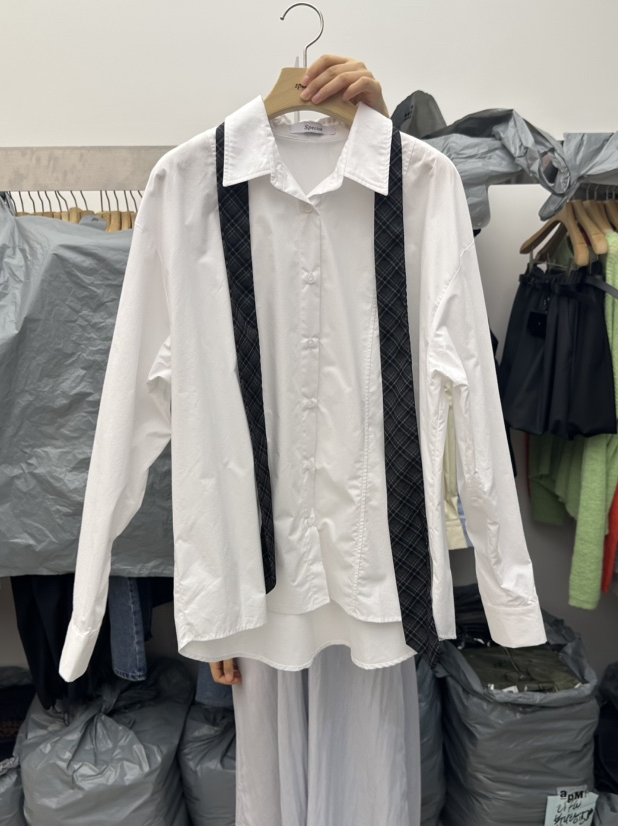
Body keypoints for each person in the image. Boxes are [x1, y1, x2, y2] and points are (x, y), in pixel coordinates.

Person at [211, 53, 388, 689]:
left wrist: (380, 132)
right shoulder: (191, 188)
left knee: (369, 727)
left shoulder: (417, 182)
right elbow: (146, 401)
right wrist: (211, 604)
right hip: (255, 593)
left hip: (373, 587)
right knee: (272, 730)